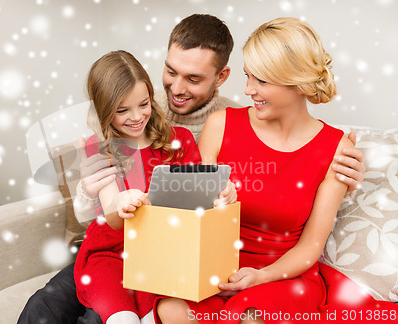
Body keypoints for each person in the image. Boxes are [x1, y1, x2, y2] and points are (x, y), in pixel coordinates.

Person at [18, 14, 366, 324]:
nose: (177, 88)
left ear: (220, 77)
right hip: (121, 245)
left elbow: (203, 196)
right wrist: (87, 191)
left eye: (194, 78)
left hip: (178, 251)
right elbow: (101, 194)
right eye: (171, 72)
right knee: (43, 307)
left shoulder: (224, 121)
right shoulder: (131, 106)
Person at [155, 17, 398, 324]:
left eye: (262, 81)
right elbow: (193, 213)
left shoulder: (336, 148)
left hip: (282, 276)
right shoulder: (221, 125)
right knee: (173, 310)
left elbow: (311, 245)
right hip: (213, 269)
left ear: (298, 83)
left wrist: (261, 276)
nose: (248, 90)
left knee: (250, 318)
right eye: (248, 76)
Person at [74, 50, 236, 324]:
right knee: (122, 318)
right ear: (103, 111)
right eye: (122, 110)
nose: (137, 117)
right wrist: (122, 202)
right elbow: (112, 217)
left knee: (155, 315)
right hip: (111, 254)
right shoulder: (99, 147)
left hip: (163, 251)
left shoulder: (179, 140)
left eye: (144, 103)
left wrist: (221, 193)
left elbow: (197, 199)